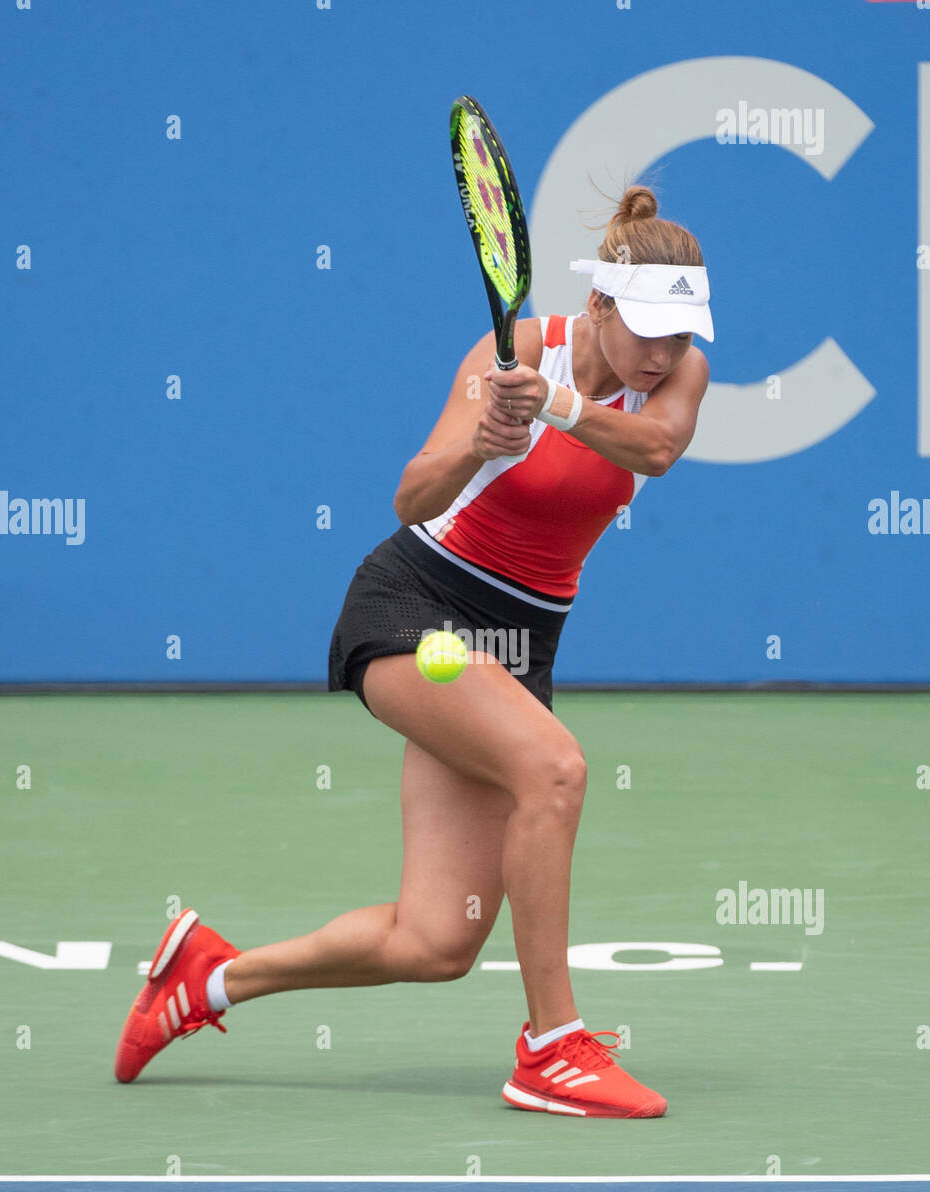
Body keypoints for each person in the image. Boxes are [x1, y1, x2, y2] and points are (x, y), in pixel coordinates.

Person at [115, 185, 712, 1118]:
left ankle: (209, 976)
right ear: (596, 303)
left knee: (436, 941)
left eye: (678, 333)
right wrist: (483, 445)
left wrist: (554, 407)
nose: (662, 351)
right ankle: (552, 1047)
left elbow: (658, 450)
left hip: (521, 643)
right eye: (645, 328)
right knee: (553, 771)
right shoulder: (512, 350)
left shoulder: (674, 374)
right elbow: (410, 499)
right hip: (417, 608)